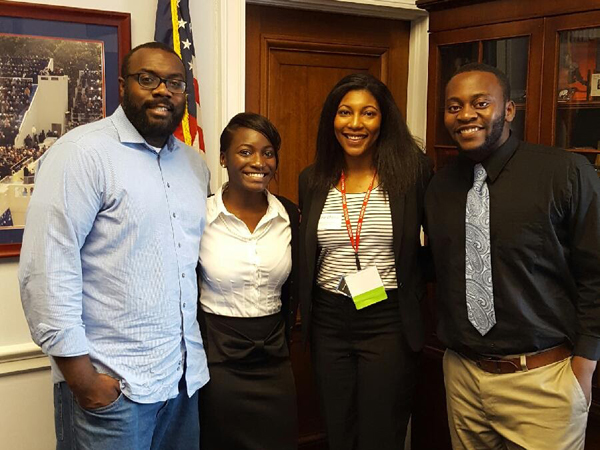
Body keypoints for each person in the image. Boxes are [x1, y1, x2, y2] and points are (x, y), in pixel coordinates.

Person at [19, 42, 210, 450]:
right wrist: (85, 383)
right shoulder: (81, 153)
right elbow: (47, 270)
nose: (163, 90)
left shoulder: (195, 166)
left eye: (175, 83)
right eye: (148, 79)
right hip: (114, 393)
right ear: (122, 86)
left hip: (181, 383)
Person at [425, 62, 600, 450]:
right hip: (463, 377)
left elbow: (597, 272)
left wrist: (584, 365)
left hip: (542, 379)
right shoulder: (439, 186)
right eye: (454, 107)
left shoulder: (565, 173)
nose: (466, 115)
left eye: (480, 103)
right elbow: (438, 267)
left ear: (508, 110)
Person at [298, 73, 431, 450]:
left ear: (383, 119)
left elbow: (437, 246)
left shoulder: (412, 173)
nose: (355, 124)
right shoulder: (312, 179)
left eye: (368, 113)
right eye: (345, 112)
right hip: (328, 320)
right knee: (338, 430)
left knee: (380, 433)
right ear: (332, 120)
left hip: (387, 320)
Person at [197, 112, 299, 449]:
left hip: (275, 355)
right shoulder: (199, 216)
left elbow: (297, 286)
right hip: (218, 359)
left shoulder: (290, 215)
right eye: (245, 151)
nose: (259, 161)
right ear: (224, 158)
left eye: (268, 152)